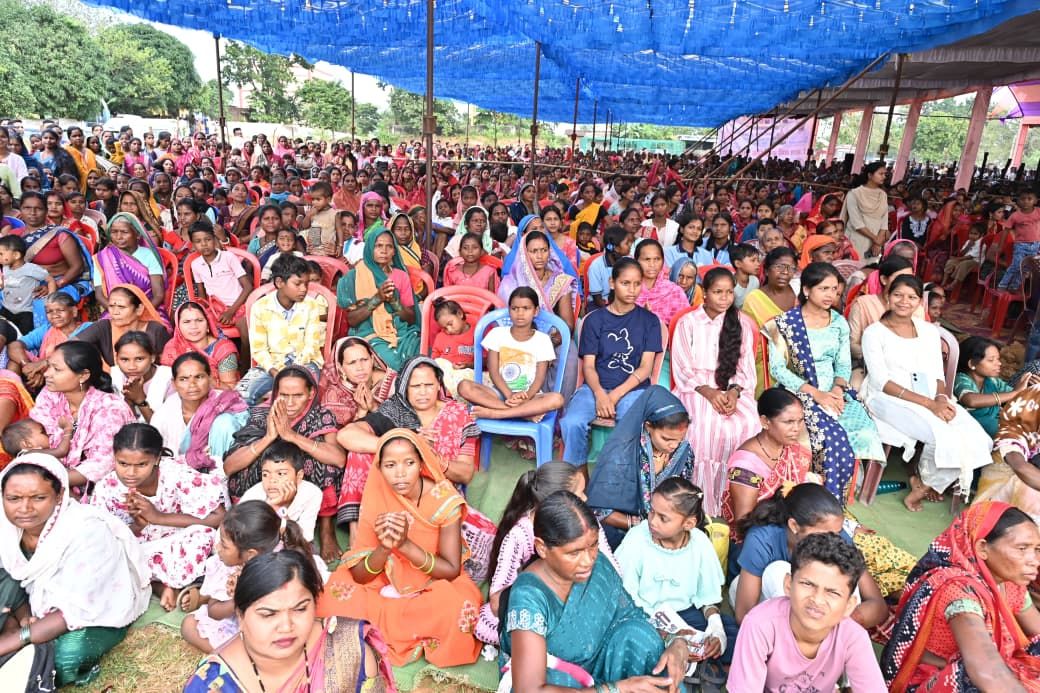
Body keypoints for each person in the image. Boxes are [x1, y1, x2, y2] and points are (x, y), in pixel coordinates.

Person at [318, 429, 484, 667]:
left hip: (433, 580)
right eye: (390, 465)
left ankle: (380, 628)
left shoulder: (445, 500)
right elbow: (359, 575)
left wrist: (404, 545)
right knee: (332, 597)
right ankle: (396, 625)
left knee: (457, 607)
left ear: (421, 463)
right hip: (383, 576)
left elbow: (450, 570)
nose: (400, 473)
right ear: (380, 467)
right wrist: (384, 549)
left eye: (409, 463)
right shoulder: (377, 493)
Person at [498, 490, 689, 690]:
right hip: (563, 680)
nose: (588, 560)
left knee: (640, 636)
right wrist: (617, 689)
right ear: (542, 548)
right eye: (574, 553)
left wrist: (676, 641)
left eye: (593, 545)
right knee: (558, 680)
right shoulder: (529, 596)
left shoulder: (598, 565)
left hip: (604, 662)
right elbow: (528, 689)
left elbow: (631, 615)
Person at [0, 453, 150, 687]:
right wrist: (23, 617)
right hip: (34, 610)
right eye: (13, 498)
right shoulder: (6, 528)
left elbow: (74, 611)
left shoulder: (88, 532)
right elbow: (11, 580)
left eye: (39, 498)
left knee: (67, 656)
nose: (25, 508)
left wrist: (15, 639)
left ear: (60, 495)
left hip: (93, 613)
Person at [860, 274, 993, 511]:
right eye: (898, 295)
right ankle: (923, 487)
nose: (904, 301)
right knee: (943, 436)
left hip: (932, 395)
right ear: (887, 296)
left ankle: (924, 483)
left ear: (920, 301)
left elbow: (937, 374)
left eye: (911, 297)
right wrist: (930, 404)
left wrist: (940, 398)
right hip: (887, 398)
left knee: (978, 438)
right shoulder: (874, 332)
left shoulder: (929, 331)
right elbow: (882, 382)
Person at [880, 503, 1040, 691]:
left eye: (1037, 549)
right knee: (971, 679)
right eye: (1022, 548)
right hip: (930, 679)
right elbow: (986, 672)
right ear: (982, 548)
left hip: (991, 667)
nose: (1035, 561)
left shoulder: (1010, 582)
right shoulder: (958, 590)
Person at [184, 550, 393, 692]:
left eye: (300, 609)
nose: (286, 627)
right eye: (268, 614)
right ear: (240, 615)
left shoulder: (348, 651)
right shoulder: (214, 684)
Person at [765, 262, 885, 502]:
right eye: (823, 289)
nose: (830, 295)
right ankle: (820, 497)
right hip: (796, 390)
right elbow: (778, 369)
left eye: (834, 289)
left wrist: (837, 390)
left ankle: (840, 494)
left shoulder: (838, 322)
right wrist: (815, 394)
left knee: (865, 431)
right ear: (806, 290)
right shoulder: (784, 324)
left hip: (833, 391)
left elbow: (843, 364)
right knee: (825, 437)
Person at [336, 356, 481, 531]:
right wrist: (407, 442)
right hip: (395, 487)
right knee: (359, 455)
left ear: (439, 385)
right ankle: (357, 535)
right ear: (405, 387)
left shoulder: (458, 415)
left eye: (429, 385)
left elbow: (466, 473)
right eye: (415, 386)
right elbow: (346, 435)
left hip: (437, 492)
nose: (423, 392)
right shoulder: (395, 410)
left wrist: (431, 456)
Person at [91, 423, 225, 612]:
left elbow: (219, 517)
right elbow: (104, 542)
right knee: (113, 559)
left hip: (178, 540)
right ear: (114, 457)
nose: (131, 473)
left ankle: (167, 586)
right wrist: (138, 526)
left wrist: (158, 517)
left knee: (203, 535)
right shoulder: (107, 489)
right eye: (123, 464)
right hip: (140, 549)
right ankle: (165, 587)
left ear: (157, 458)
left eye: (141, 465)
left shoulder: (176, 474)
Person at [477, 463, 615, 646]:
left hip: (579, 598)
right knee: (485, 625)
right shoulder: (521, 536)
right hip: (537, 606)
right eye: (580, 493)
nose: (585, 498)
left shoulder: (586, 523)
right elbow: (497, 602)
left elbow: (612, 569)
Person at [728, 532, 886, 692]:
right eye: (808, 584)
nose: (817, 600)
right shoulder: (759, 625)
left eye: (832, 592)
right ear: (788, 585)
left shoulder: (853, 637)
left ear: (849, 605)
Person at [616, 478, 737, 673]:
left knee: (732, 635)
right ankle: (695, 664)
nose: (652, 521)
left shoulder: (700, 543)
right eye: (651, 511)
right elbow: (625, 598)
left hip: (686, 615)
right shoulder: (636, 540)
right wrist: (666, 633)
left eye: (663, 518)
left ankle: (697, 661)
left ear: (688, 523)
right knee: (634, 640)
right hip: (644, 616)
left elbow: (708, 598)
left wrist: (716, 629)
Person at [225, 366, 345, 561]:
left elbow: (338, 459)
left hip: (304, 480)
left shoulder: (321, 416)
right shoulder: (262, 415)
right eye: (284, 395)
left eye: (297, 395)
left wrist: (291, 436)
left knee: (324, 460)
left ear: (310, 393)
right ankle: (258, 519)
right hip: (267, 482)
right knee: (256, 459)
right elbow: (229, 467)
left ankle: (326, 527)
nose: (289, 403)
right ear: (275, 393)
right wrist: (269, 438)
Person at [731, 484, 889, 629]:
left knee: (844, 579)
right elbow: (744, 614)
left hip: (823, 622)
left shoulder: (836, 537)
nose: (832, 541)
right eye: (824, 534)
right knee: (778, 570)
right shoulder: (763, 539)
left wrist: (838, 626)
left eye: (838, 532)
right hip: (766, 607)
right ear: (794, 526)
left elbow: (878, 606)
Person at [672, 267, 761, 515]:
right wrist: (709, 393)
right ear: (705, 293)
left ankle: (732, 498)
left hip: (731, 386)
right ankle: (700, 499)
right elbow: (682, 367)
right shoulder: (688, 323)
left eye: (729, 292)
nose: (724, 298)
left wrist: (733, 393)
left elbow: (745, 369)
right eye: (718, 292)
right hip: (696, 387)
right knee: (705, 426)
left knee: (749, 422)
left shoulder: (741, 323)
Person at [562, 259, 663, 466]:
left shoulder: (649, 321)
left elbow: (646, 368)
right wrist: (600, 394)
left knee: (630, 426)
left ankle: (620, 476)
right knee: (572, 423)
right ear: (612, 283)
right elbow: (588, 366)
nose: (632, 290)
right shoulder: (594, 320)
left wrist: (615, 395)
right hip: (594, 388)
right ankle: (578, 475)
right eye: (625, 283)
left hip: (633, 390)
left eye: (637, 284)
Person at [180, 500, 317, 653]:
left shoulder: (282, 566)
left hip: (273, 628)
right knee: (189, 624)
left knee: (189, 625)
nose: (217, 548)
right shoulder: (228, 568)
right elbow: (214, 611)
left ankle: (238, 656)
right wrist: (240, 600)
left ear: (251, 554)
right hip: (249, 625)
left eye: (224, 545)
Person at [585, 385, 692, 550]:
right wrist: (641, 524)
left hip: (667, 525)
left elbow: (683, 497)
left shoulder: (684, 452)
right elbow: (599, 511)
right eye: (666, 439)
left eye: (680, 439)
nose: (674, 445)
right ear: (648, 427)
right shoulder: (622, 453)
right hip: (627, 528)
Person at [29, 341, 135, 491]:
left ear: (83, 376)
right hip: (53, 478)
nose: (47, 373)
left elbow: (102, 464)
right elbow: (35, 439)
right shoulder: (49, 395)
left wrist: (46, 482)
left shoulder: (111, 408)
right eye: (49, 366)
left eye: (57, 369)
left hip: (103, 489)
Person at [458, 286, 564, 421]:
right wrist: (509, 395)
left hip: (529, 397)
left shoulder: (543, 340)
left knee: (557, 399)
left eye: (526, 308)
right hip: (499, 393)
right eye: (515, 308)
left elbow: (539, 378)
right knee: (464, 386)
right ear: (509, 310)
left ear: (536, 311)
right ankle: (524, 414)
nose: (520, 313)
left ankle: (496, 413)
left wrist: (526, 397)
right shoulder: (497, 334)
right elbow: (493, 371)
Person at [722, 388, 815, 529]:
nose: (796, 429)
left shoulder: (795, 451)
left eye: (800, 421)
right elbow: (744, 522)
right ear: (765, 421)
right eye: (788, 422)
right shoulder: (746, 466)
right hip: (760, 534)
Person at [240, 254, 327, 405]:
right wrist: (275, 370)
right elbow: (259, 350)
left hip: (305, 362)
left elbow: (311, 345)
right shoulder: (260, 307)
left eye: (306, 284)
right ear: (280, 282)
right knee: (240, 396)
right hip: (272, 364)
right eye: (298, 284)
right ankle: (256, 419)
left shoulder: (311, 305)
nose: (304, 289)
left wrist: (294, 370)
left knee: (309, 394)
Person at [150, 352, 247, 472]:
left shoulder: (227, 404)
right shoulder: (164, 414)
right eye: (183, 379)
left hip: (226, 472)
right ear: (174, 383)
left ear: (210, 378)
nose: (192, 384)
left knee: (224, 422)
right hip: (178, 475)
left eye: (199, 377)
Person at [339, 229, 419, 372]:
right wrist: (378, 298)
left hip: (401, 332)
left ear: (394, 251)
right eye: (378, 246)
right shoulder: (355, 276)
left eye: (389, 246)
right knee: (393, 361)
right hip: (370, 333)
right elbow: (352, 320)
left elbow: (411, 318)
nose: (384, 251)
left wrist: (394, 302)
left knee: (420, 354)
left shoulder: (401, 276)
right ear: (370, 248)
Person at [239, 441, 322, 542]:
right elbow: (245, 537)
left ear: (299, 476)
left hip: (291, 545)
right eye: (265, 474)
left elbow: (305, 538)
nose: (272, 480)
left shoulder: (312, 493)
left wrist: (281, 509)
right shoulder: (254, 495)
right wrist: (274, 506)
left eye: (281, 474)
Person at [73, 284, 171, 368]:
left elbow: (167, 364)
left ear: (139, 309)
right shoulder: (103, 327)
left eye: (121, 307)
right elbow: (71, 346)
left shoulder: (156, 331)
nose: (115, 312)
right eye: (111, 306)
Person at [955, 336, 1035, 438]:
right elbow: (971, 400)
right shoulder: (961, 379)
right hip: (972, 436)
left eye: (998, 359)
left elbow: (1017, 396)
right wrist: (1015, 393)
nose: (999, 363)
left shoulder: (992, 381)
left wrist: (1032, 388)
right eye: (991, 360)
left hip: (1001, 430)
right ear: (972, 364)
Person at [6, 292, 90, 389]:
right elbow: (15, 345)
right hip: (44, 374)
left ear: (74, 311)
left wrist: (45, 365)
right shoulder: (47, 329)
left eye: (60, 310)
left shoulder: (88, 328)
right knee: (15, 361)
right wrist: (28, 366)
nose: (55, 315)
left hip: (73, 376)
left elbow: (75, 355)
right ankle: (14, 394)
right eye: (49, 312)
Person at [93, 211, 167, 317]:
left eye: (124, 232)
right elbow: (99, 295)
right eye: (114, 232)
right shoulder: (102, 257)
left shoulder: (149, 256)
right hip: (115, 313)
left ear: (137, 234)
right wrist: (117, 313)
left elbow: (158, 295)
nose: (119, 237)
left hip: (148, 309)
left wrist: (139, 314)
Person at [188, 223, 252, 342]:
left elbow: (248, 287)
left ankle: (244, 355)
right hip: (215, 309)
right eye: (198, 241)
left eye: (208, 239)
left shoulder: (228, 257)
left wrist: (231, 311)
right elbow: (202, 295)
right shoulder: (195, 264)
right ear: (193, 244)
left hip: (238, 305)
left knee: (246, 332)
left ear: (214, 239)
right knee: (197, 328)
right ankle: (219, 352)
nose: (204, 244)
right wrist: (203, 312)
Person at [847, 254, 916, 364]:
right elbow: (851, 345)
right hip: (868, 364)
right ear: (884, 279)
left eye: (910, 278)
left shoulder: (916, 308)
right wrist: (879, 356)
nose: (906, 284)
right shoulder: (863, 304)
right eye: (900, 278)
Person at [319, 336, 397, 428]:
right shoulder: (335, 395)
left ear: (372, 360)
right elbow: (338, 435)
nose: (360, 368)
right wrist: (361, 412)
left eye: (364, 360)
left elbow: (403, 425)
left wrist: (374, 407)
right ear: (340, 367)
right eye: (352, 363)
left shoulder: (393, 383)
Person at [160, 301, 240, 390]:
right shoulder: (172, 347)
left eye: (199, 320)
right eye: (186, 322)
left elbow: (231, 389)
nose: (194, 326)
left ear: (208, 324)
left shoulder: (223, 349)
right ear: (178, 327)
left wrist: (203, 376)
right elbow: (167, 384)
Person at [111, 330, 173, 423]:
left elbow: (165, 427)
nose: (132, 367)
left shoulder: (168, 378)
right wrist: (128, 400)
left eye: (139, 359)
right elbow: (116, 422)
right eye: (124, 360)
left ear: (152, 357)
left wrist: (140, 400)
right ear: (116, 359)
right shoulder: (114, 376)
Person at [0, 234, 55, 333]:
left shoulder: (31, 269)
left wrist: (50, 301)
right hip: (6, 309)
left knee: (24, 337)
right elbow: (6, 284)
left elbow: (50, 280)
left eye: (1, 254)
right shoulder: (5, 267)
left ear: (16, 255)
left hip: (25, 312)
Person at [633, 238, 689, 327]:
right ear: (636, 261)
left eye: (657, 259)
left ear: (663, 261)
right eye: (647, 259)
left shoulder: (674, 291)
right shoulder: (629, 289)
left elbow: (686, 324)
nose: (652, 264)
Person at [840, 161, 890, 259]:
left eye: (885, 174)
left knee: (871, 267)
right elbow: (856, 222)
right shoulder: (854, 193)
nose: (884, 177)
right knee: (853, 264)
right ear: (870, 175)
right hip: (857, 237)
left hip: (876, 240)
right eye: (881, 174)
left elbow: (884, 220)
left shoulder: (883, 195)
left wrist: (877, 242)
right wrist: (875, 239)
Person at [430, 297, 477, 398]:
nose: (449, 329)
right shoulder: (441, 337)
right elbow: (435, 360)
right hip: (446, 376)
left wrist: (468, 365)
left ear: (460, 314)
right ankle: (447, 395)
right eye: (444, 328)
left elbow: (486, 361)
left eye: (450, 324)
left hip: (466, 377)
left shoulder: (477, 333)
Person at [997, 188, 1040, 291]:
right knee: (1016, 265)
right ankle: (1002, 285)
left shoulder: (1038, 211)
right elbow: (1006, 231)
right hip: (1021, 245)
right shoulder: (1015, 215)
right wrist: (1000, 246)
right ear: (1018, 200)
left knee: (1026, 268)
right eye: (1023, 199)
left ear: (1035, 201)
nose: (1026, 201)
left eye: (1029, 199)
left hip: (1035, 244)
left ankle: (1014, 286)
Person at [586, 224, 634, 309]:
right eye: (627, 243)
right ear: (616, 248)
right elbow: (598, 299)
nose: (630, 245)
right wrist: (614, 311)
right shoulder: (596, 266)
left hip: (622, 301)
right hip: (601, 305)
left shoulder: (629, 262)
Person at [730, 243, 761, 309]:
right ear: (738, 263)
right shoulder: (730, 285)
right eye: (753, 260)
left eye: (758, 260)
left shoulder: (755, 281)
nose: (758, 264)